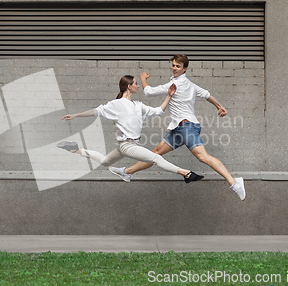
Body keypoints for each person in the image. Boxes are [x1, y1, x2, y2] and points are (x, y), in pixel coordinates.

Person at [109, 55, 246, 200]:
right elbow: (207, 95)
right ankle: (127, 172)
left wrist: (143, 78)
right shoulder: (190, 85)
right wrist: (219, 107)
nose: (174, 68)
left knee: (203, 157)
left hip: (186, 127)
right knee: (155, 153)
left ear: (184, 68)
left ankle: (234, 182)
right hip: (178, 129)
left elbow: (148, 92)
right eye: (173, 65)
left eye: (178, 66)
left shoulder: (176, 85)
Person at [57, 75, 203, 183]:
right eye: (136, 84)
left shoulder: (138, 105)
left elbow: (159, 111)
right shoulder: (117, 104)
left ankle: (75, 149)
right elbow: (96, 111)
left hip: (125, 146)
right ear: (129, 86)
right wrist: (76, 115)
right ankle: (187, 174)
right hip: (127, 145)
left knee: (105, 162)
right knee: (156, 158)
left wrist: (169, 96)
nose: (138, 86)